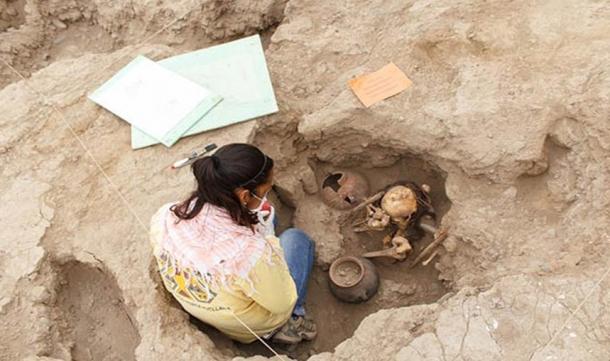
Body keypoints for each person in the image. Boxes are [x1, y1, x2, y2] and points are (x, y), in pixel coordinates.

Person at [149, 143, 317, 345]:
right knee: (296, 239)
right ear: (245, 195)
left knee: (268, 218)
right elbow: (282, 303)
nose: (267, 195)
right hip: (249, 325)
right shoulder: (249, 254)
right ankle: (286, 326)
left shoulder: (167, 215)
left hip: (207, 304)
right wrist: (268, 242)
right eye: (266, 190)